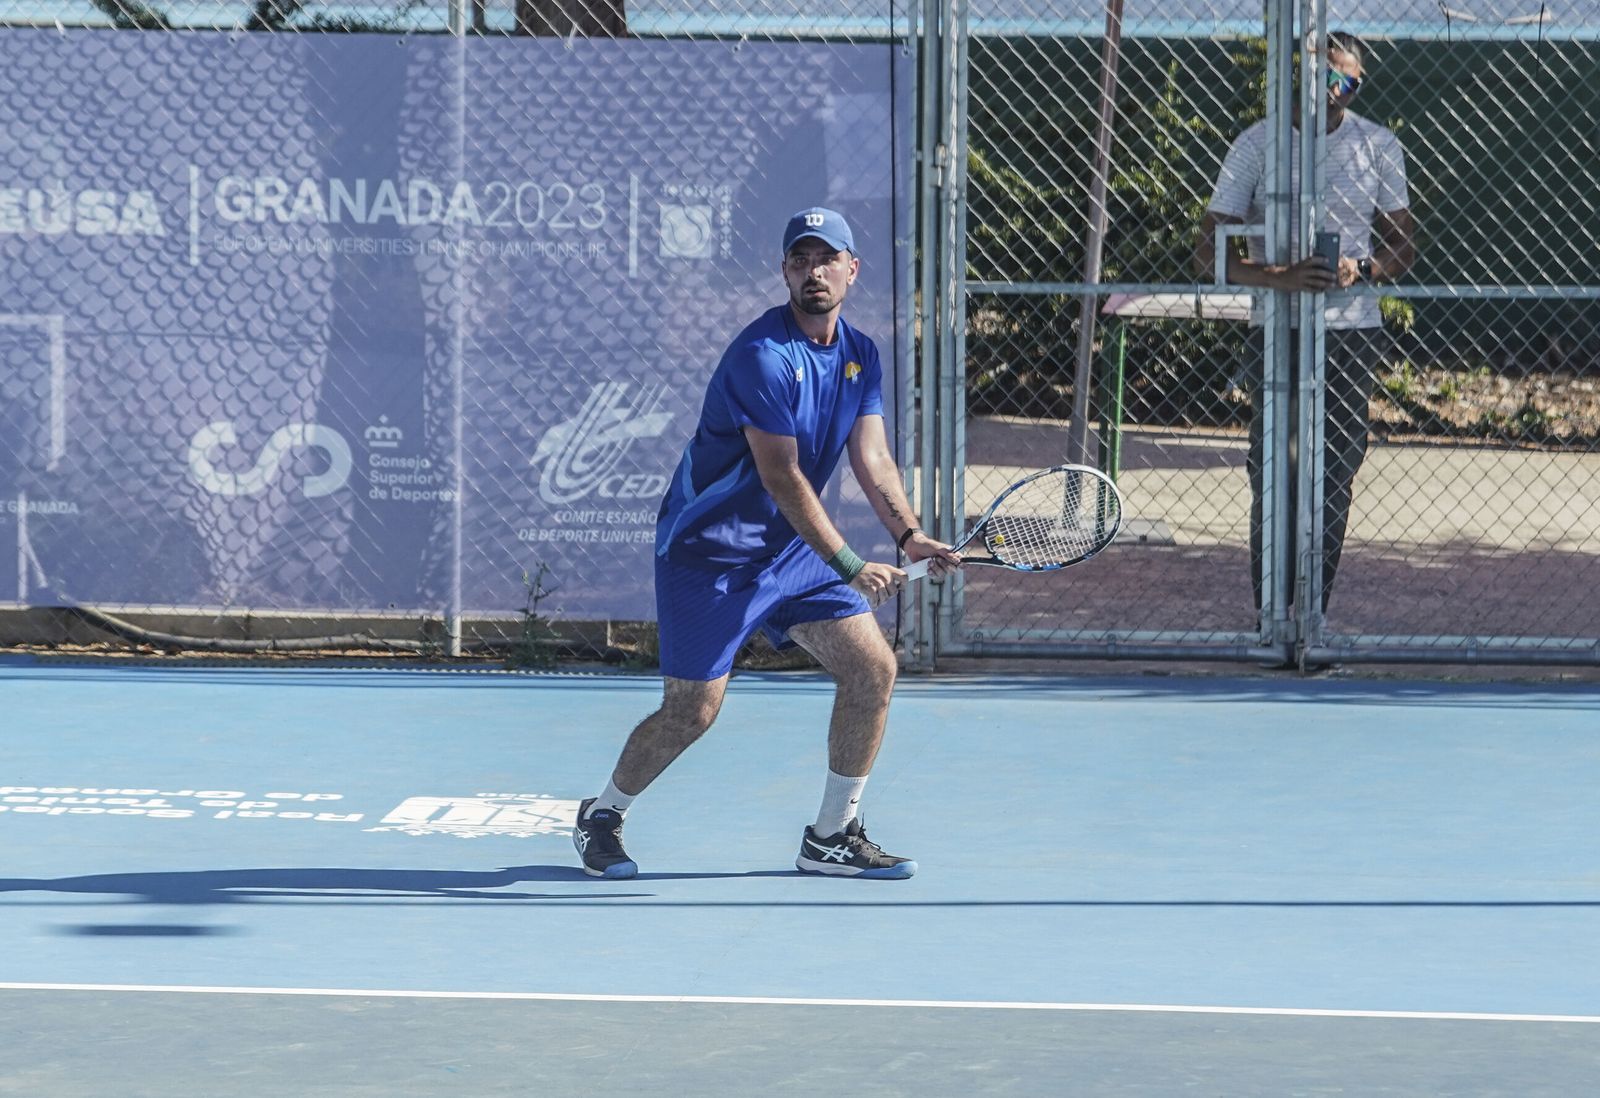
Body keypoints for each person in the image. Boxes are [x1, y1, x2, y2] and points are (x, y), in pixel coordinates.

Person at [572, 207, 961, 881]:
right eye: (800, 260)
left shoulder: (860, 354)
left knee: (873, 670)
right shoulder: (762, 356)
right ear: (785, 270)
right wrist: (848, 562)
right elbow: (782, 476)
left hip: (793, 555)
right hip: (711, 556)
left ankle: (832, 835)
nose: (814, 271)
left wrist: (909, 533)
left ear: (851, 270)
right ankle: (602, 816)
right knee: (692, 712)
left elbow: (872, 456)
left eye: (826, 258)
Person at [1196, 31, 1416, 614]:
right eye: (1328, 76)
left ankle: (1312, 609)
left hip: (1351, 331)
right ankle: (1272, 611)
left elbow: (1403, 247)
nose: (1337, 90)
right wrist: (1279, 276)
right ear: (1303, 75)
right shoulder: (1259, 142)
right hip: (1278, 329)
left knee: (1337, 464)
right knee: (1274, 467)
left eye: (1350, 81)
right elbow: (1208, 249)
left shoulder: (1378, 145)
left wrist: (1361, 267)